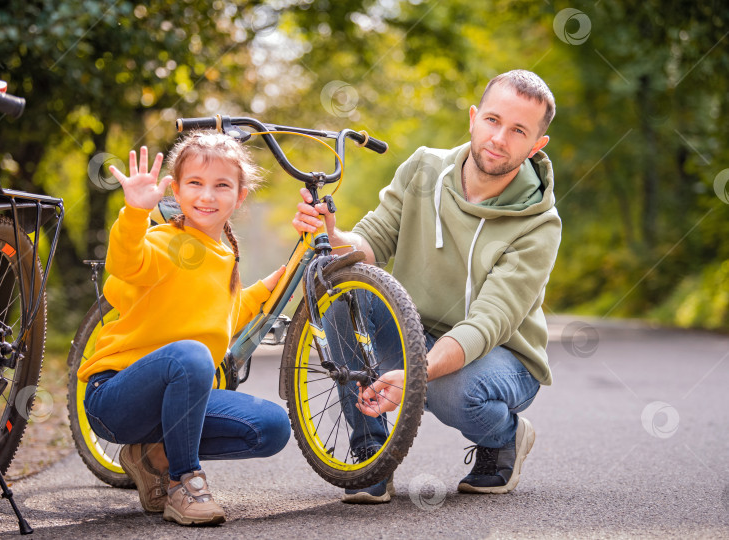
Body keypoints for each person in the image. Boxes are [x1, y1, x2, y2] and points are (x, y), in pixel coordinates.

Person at [293, 70, 561, 503]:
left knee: (450, 388)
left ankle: (505, 438)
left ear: (535, 146)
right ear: (474, 118)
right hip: (415, 328)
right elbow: (373, 241)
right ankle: (370, 452)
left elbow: (487, 324)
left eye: (518, 131)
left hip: (501, 355)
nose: (499, 138)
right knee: (344, 304)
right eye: (492, 120)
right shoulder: (423, 167)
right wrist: (335, 235)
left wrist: (416, 373)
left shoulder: (539, 225)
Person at [77, 132, 291, 525]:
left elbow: (223, 313)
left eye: (221, 186)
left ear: (240, 196)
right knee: (191, 354)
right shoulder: (166, 240)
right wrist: (135, 213)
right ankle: (183, 481)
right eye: (195, 183)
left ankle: (152, 455)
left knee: (272, 427)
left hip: (176, 400)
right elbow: (126, 263)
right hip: (116, 398)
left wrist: (268, 288)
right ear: (176, 190)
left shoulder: (226, 255)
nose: (207, 196)